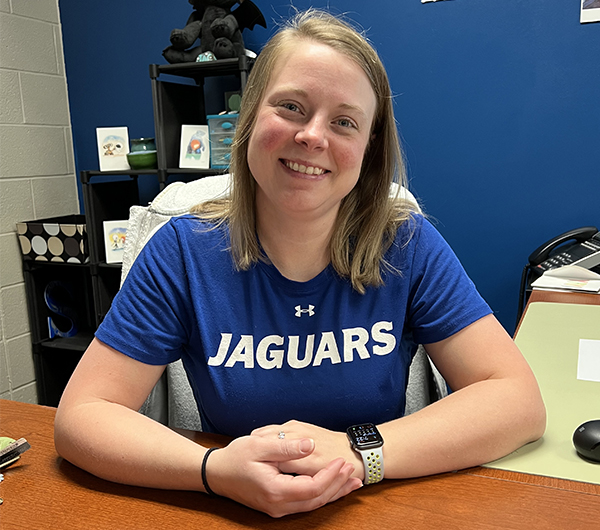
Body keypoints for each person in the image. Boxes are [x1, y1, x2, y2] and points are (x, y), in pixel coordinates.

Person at [54, 9, 546, 518]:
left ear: (368, 146)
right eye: (291, 107)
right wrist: (213, 471)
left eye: (345, 122)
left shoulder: (405, 243)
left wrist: (360, 453)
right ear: (250, 117)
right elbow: (83, 416)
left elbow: (516, 401)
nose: (314, 136)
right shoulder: (181, 250)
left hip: (375, 507)